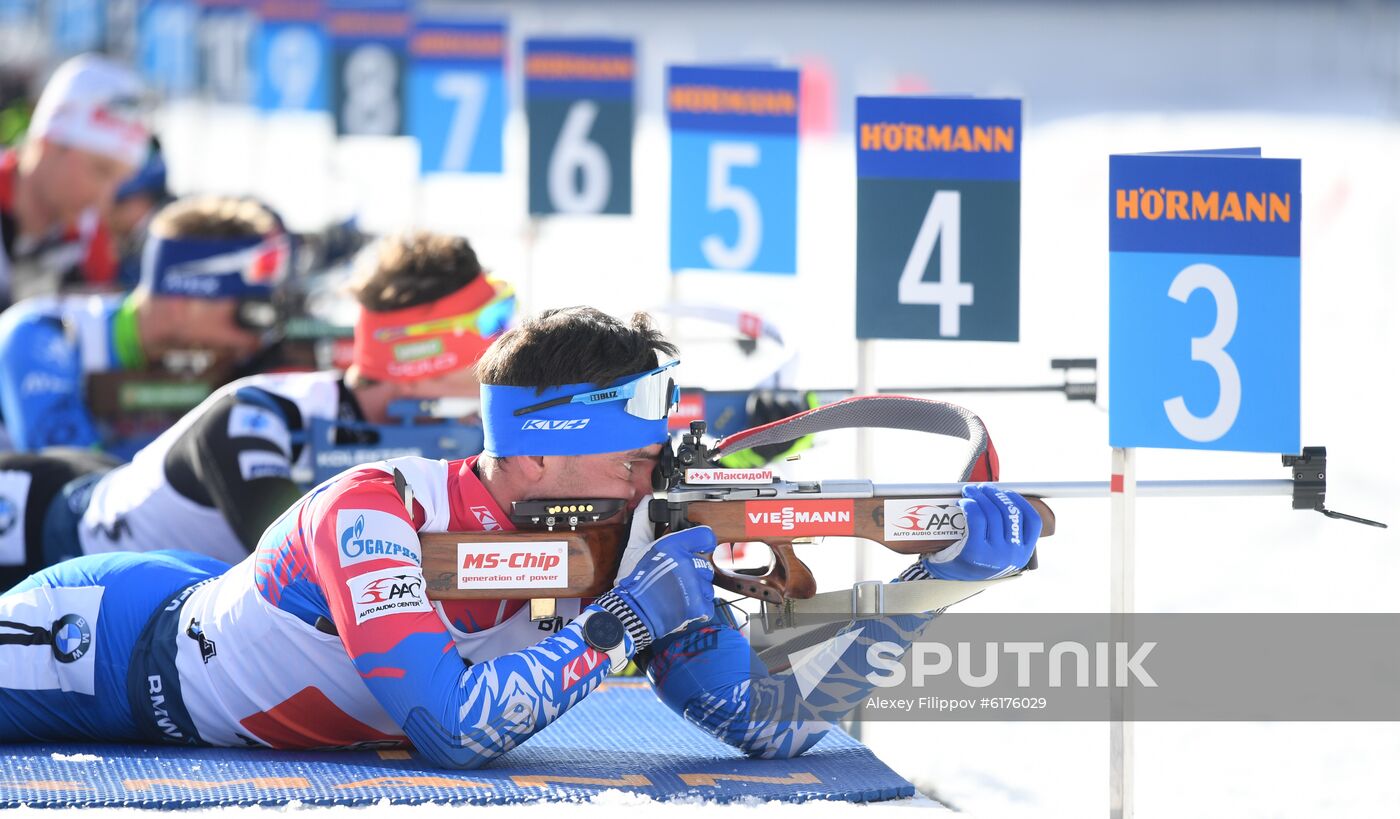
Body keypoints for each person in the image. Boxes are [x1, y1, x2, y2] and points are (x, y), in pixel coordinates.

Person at [0, 306, 1041, 768]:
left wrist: (935, 585)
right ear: (535, 456)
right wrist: (621, 625)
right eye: (632, 449)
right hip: (104, 647)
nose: (652, 470)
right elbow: (452, 731)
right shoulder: (373, 508)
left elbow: (776, 726)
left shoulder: (623, 528)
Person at [0, 230, 514, 589]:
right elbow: (301, 571)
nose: (506, 341)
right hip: (35, 538)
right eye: (492, 321)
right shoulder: (256, 416)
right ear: (420, 355)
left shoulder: (451, 435)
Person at [0, 195, 287, 456]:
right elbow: (71, 480)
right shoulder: (43, 336)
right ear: (185, 301)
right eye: (251, 314)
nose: (256, 338)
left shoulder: (224, 367)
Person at [0, 54, 147, 307]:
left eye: (119, 182)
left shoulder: (87, 231)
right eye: (100, 171)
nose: (105, 199)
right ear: (48, 143)